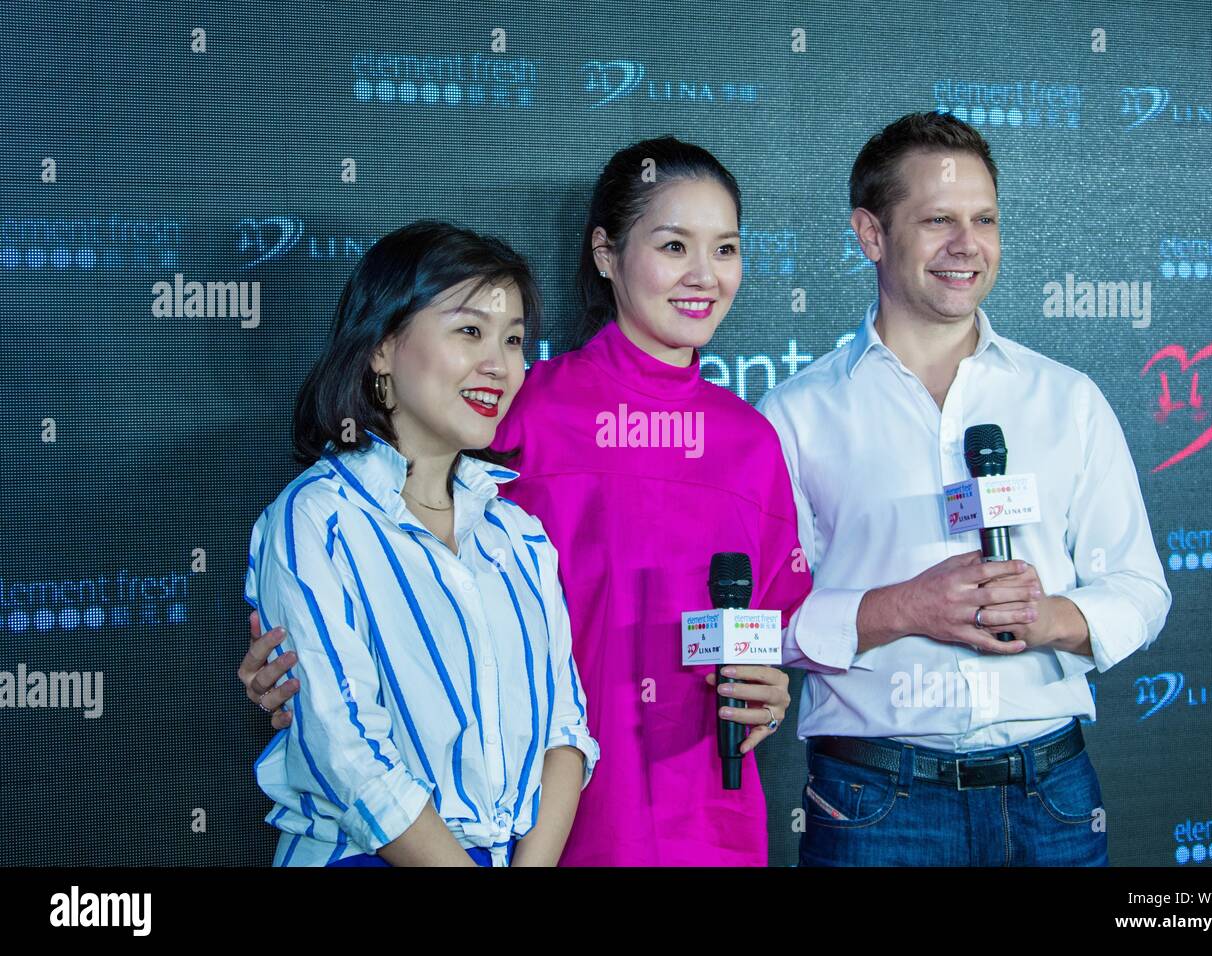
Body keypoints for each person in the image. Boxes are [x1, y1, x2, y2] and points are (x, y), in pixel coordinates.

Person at [242, 137, 811, 866]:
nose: (703, 274)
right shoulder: (516, 409)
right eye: (674, 245)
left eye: (725, 248)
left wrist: (769, 685)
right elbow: (382, 572)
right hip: (544, 833)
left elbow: (763, 630)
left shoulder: (751, 442)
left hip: (705, 821)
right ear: (605, 254)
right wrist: (301, 676)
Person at [764, 111, 1172, 866]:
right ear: (871, 234)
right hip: (874, 807)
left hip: (1053, 797)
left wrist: (1051, 616)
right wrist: (902, 609)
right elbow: (760, 625)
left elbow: (1142, 588)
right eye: (938, 220)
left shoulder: (1067, 398)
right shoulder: (794, 415)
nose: (968, 245)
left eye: (984, 218)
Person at [244, 220, 598, 867]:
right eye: (469, 331)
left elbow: (565, 731)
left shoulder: (518, 536)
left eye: (514, 339)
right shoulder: (316, 519)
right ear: (382, 347)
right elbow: (348, 753)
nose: (500, 363)